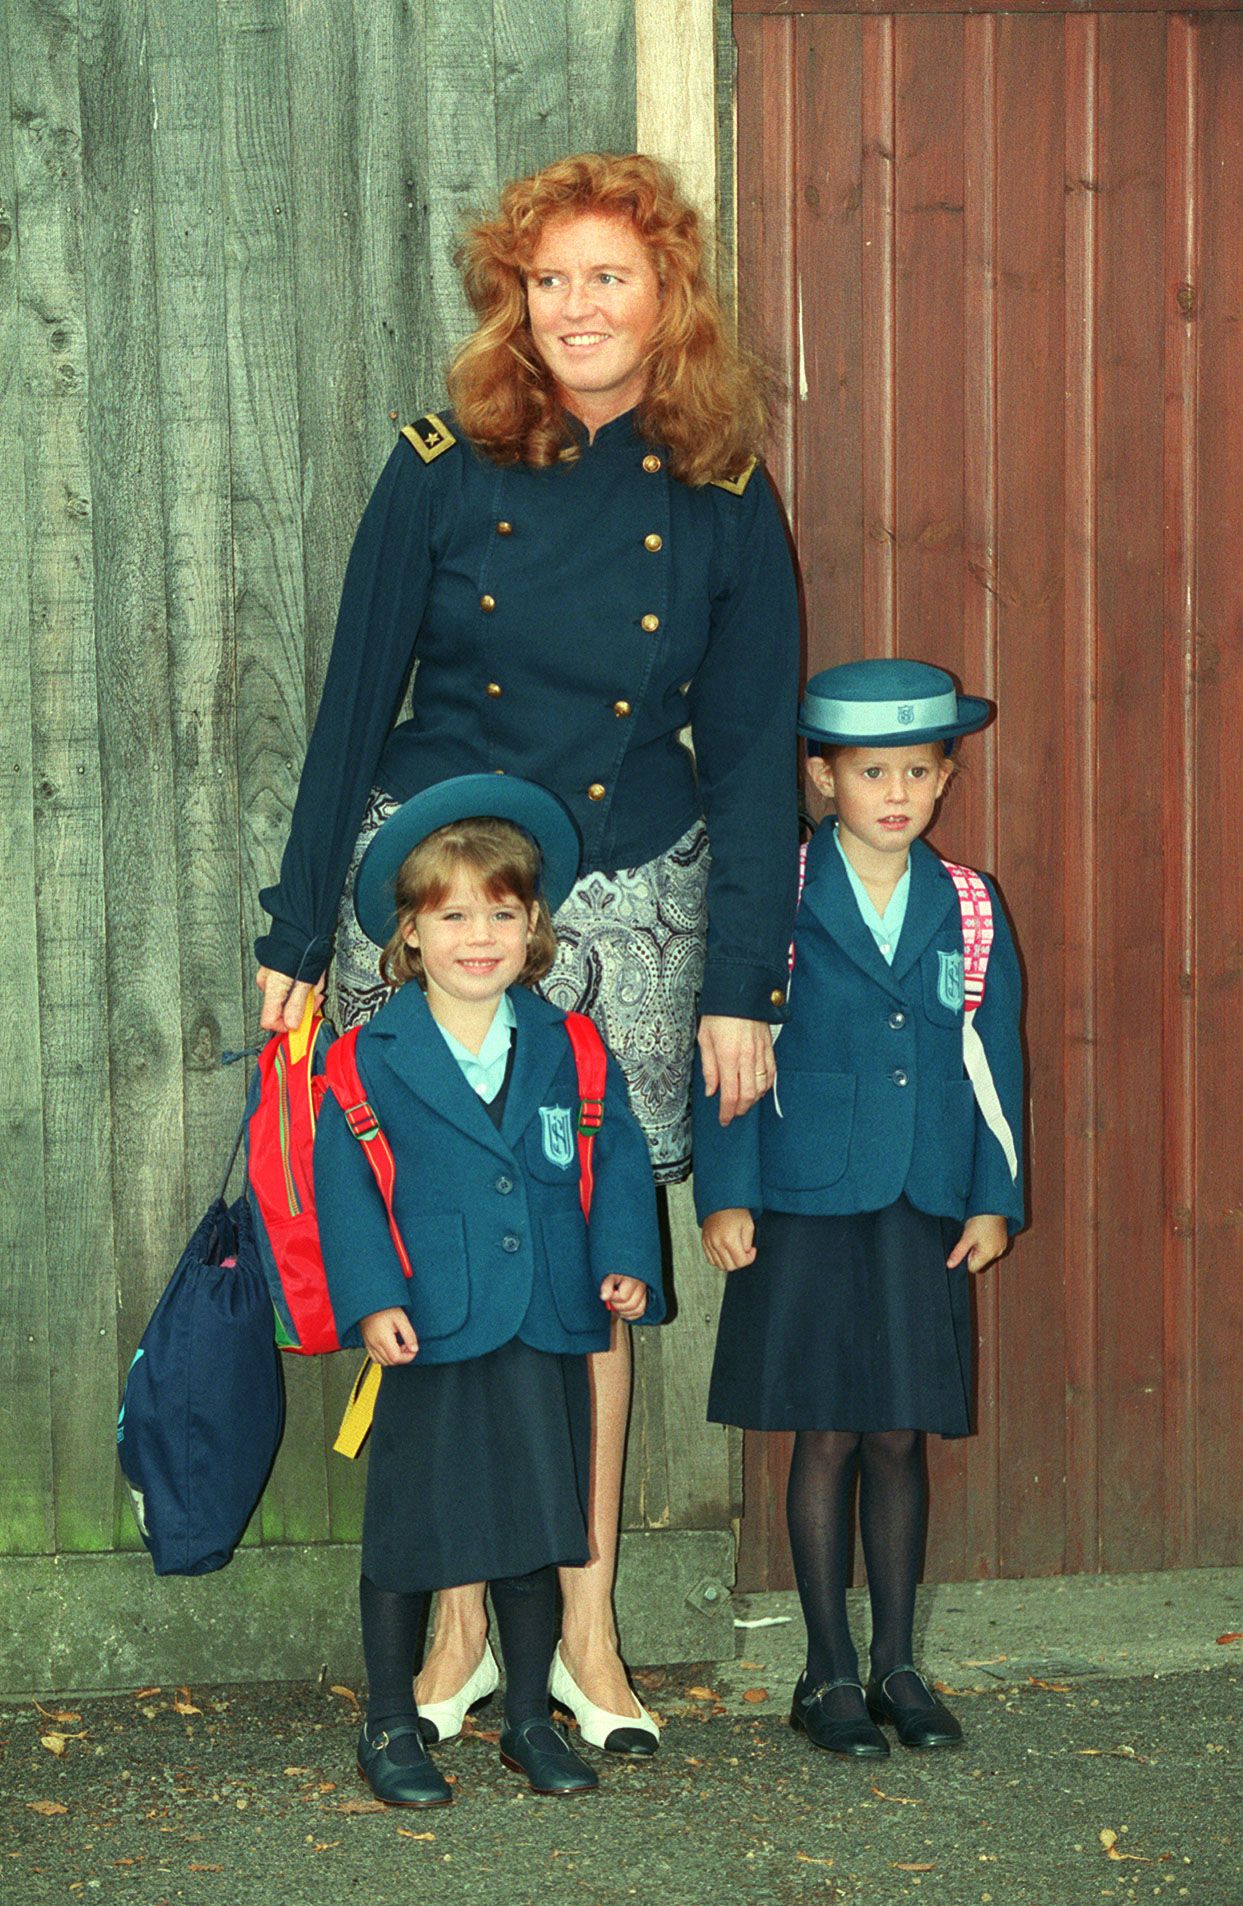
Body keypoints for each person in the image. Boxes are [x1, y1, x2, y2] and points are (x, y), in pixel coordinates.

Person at [253, 152, 800, 1745]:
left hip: (632, 894)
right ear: (515, 294)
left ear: (666, 299)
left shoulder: (721, 493)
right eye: (546, 278)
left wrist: (738, 983)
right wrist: (300, 924)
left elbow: (757, 746)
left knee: (590, 1277)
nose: (573, 306)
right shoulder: (439, 463)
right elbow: (352, 700)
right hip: (446, 884)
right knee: (424, 1255)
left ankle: (581, 1627)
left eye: (607, 277)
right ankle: (444, 1630)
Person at [692, 659, 1025, 1758]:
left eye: (919, 772)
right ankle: (824, 1669)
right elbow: (732, 1052)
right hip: (802, 1202)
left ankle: (897, 1664)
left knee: (897, 1434)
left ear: (943, 779)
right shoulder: (774, 896)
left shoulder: (967, 907)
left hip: (920, 1204)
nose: (897, 792)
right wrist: (726, 1191)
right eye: (871, 770)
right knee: (824, 1433)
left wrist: (993, 1198)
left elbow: (993, 1062)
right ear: (823, 776)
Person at [314, 775, 665, 1803]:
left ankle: (525, 1717)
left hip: (548, 1316)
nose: (480, 936)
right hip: (426, 1324)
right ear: (409, 935)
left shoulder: (571, 1046)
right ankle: (389, 1723)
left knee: (532, 1522)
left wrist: (625, 1259)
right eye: (452, 914)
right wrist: (374, 1297)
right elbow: (346, 1194)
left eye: (501, 914)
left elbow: (619, 1158)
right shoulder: (366, 1059)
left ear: (533, 927)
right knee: (412, 1529)